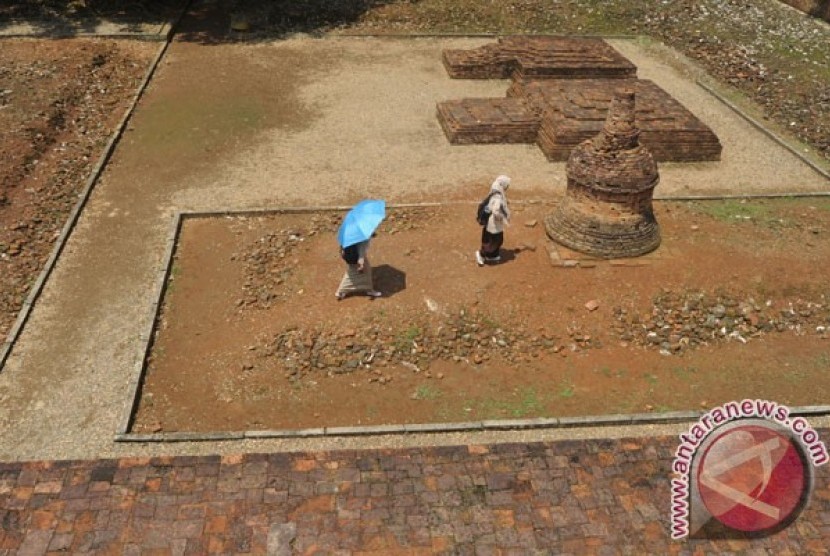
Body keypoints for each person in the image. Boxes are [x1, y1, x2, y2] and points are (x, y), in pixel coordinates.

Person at [476, 175, 511, 266]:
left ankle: (492, 255)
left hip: (489, 222)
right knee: (496, 241)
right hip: (494, 224)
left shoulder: (495, 189)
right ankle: (481, 254)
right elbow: (496, 211)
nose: (507, 187)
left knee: (489, 239)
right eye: (507, 185)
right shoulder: (498, 197)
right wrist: (502, 218)